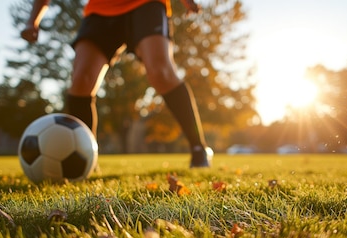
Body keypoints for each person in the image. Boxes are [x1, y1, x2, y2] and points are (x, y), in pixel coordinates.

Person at [21, 0, 213, 167]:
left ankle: (198, 148)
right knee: (81, 79)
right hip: (101, 9)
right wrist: (33, 20)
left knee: (161, 73)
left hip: (146, 4)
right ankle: (86, 157)